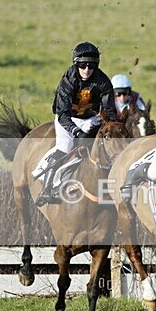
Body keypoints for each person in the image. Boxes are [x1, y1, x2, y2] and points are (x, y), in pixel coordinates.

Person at [33, 41, 116, 206]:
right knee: (65, 147)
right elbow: (62, 113)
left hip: (91, 119)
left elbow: (110, 112)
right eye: (83, 65)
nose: (87, 70)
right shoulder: (68, 80)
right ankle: (47, 188)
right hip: (68, 119)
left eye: (91, 66)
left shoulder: (103, 81)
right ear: (76, 64)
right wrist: (76, 131)